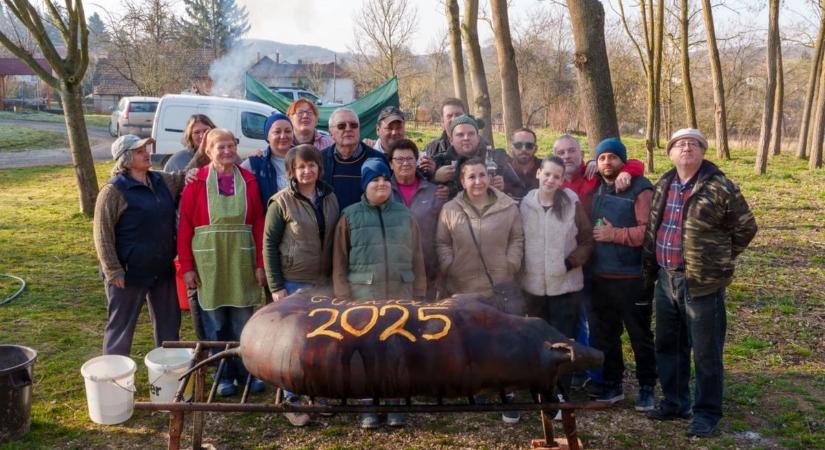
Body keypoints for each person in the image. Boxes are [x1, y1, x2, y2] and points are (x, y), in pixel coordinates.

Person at [643, 128, 757, 437]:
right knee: (668, 345)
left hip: (702, 284)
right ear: (670, 153)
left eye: (693, 144)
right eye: (680, 144)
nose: (686, 148)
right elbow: (655, 227)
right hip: (666, 280)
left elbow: (746, 227)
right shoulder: (664, 184)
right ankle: (675, 401)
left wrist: (720, 258)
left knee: (706, 352)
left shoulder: (720, 187)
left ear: (703, 152)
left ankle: (706, 412)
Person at [332, 157, 426, 429]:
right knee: (366, 353)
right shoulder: (349, 216)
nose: (382, 183)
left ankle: (395, 403)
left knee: (397, 350)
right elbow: (339, 260)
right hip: (363, 297)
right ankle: (368, 405)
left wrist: (419, 291)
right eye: (375, 179)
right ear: (365, 185)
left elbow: (418, 256)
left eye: (385, 179)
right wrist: (342, 297)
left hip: (400, 292)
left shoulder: (405, 215)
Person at [178, 128, 267, 397]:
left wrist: (261, 263)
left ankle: (246, 372)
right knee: (215, 323)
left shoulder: (249, 180)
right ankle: (222, 373)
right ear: (208, 151)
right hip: (209, 263)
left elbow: (259, 222)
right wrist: (187, 267)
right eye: (220, 147)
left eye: (231, 146)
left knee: (242, 320)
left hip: (241, 259)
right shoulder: (196, 182)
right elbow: (185, 226)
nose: (227, 151)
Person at [435, 157, 524, 425]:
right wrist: (450, 265)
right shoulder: (451, 208)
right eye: (471, 177)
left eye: (482, 175)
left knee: (502, 342)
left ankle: (507, 393)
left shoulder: (507, 206)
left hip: (498, 286)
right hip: (463, 287)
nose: (478, 181)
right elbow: (442, 241)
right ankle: (480, 389)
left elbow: (517, 238)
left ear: (489, 176)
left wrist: (511, 264)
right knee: (472, 343)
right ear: (462, 181)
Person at [262, 144, 339, 427]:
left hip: (323, 282)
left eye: (312, 165)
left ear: (319, 168)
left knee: (320, 339)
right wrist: (276, 285)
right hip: (293, 281)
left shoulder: (330, 198)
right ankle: (290, 398)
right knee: (292, 343)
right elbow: (268, 245)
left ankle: (317, 395)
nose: (307, 171)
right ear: (292, 171)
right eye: (301, 167)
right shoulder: (280, 202)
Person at [93, 135, 185, 356]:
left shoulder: (161, 180)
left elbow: (185, 176)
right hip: (128, 272)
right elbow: (102, 234)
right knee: (121, 328)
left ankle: (168, 372)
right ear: (125, 159)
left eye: (146, 148)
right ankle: (113, 377)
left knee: (169, 326)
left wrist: (206, 148)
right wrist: (113, 271)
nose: (147, 153)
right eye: (139, 151)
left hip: (161, 268)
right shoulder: (113, 191)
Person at [588, 137, 657, 411]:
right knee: (607, 336)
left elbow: (648, 231)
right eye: (602, 157)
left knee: (640, 336)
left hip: (633, 278)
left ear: (623, 161)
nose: (607, 162)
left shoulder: (639, 188)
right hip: (602, 278)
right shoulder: (597, 186)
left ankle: (647, 387)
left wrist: (612, 234)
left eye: (613, 157)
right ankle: (612, 384)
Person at [519, 156, 593, 400]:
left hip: (565, 287)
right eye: (547, 174)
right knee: (538, 341)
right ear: (539, 173)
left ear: (562, 180)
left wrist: (569, 262)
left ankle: (561, 391)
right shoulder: (525, 204)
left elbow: (587, 239)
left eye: (557, 176)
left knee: (562, 342)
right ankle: (540, 389)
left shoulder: (571, 203)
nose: (551, 180)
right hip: (533, 288)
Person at [388, 139, 446, 299]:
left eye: (409, 159)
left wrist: (442, 269)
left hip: (428, 271)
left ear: (417, 161)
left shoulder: (435, 192)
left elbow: (443, 234)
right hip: (392, 273)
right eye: (399, 159)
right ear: (391, 164)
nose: (405, 163)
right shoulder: (383, 192)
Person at [429, 115, 517, 198]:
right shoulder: (439, 161)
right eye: (460, 135)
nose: (466, 138)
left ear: (478, 138)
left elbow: (519, 188)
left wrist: (504, 187)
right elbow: (420, 193)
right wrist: (436, 178)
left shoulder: (496, 158)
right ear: (451, 140)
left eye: (471, 134)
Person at [320, 107, 386, 210]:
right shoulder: (320, 160)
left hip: (365, 223)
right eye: (341, 126)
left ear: (359, 129)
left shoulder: (378, 159)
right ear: (330, 133)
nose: (348, 129)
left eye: (353, 125)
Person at [242, 112, 293, 207]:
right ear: (267, 136)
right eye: (277, 132)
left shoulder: (302, 158)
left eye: (288, 131)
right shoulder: (255, 163)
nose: (283, 136)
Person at [501, 127, 541, 201]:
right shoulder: (501, 170)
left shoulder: (545, 169)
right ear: (511, 147)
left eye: (529, 145)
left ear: (535, 148)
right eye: (518, 145)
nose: (524, 149)